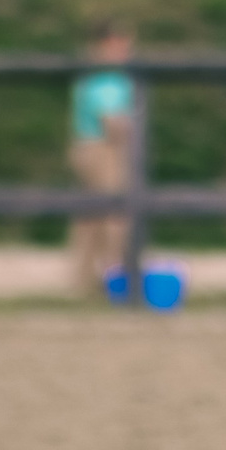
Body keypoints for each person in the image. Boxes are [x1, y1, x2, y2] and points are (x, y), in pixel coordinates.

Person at [66, 20, 137, 292]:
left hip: (90, 145)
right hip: (103, 148)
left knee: (90, 219)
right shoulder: (104, 74)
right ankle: (116, 279)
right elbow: (111, 120)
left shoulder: (96, 71)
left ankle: (82, 282)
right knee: (116, 217)